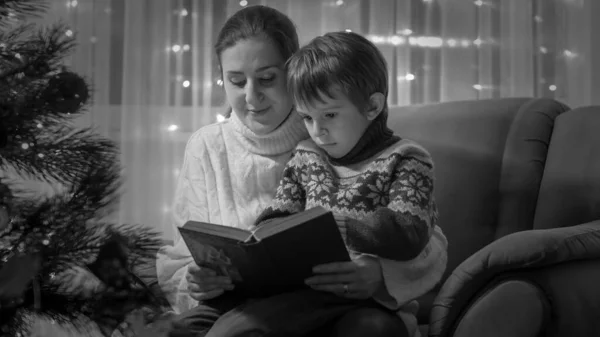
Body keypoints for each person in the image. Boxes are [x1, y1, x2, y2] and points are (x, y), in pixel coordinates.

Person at [157, 5, 446, 337]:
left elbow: (423, 234)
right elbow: (263, 224)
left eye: (267, 78)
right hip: (249, 300)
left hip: (337, 303)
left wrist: (380, 273)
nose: (251, 96)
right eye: (236, 81)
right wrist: (200, 277)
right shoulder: (213, 147)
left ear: (291, 74)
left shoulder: (340, 132)